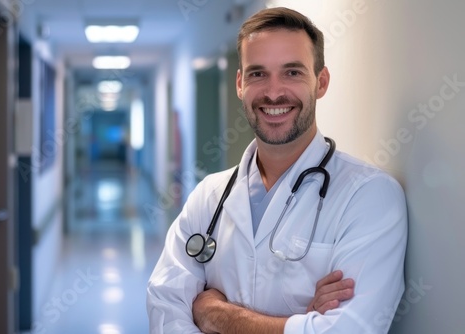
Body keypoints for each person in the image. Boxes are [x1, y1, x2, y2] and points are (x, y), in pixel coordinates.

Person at [147, 7, 407, 334]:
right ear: (240, 84)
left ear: (321, 82)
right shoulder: (208, 196)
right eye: (258, 74)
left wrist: (211, 310)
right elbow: (164, 304)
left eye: (292, 72)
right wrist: (300, 323)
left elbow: (351, 329)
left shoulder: (368, 196)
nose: (273, 92)